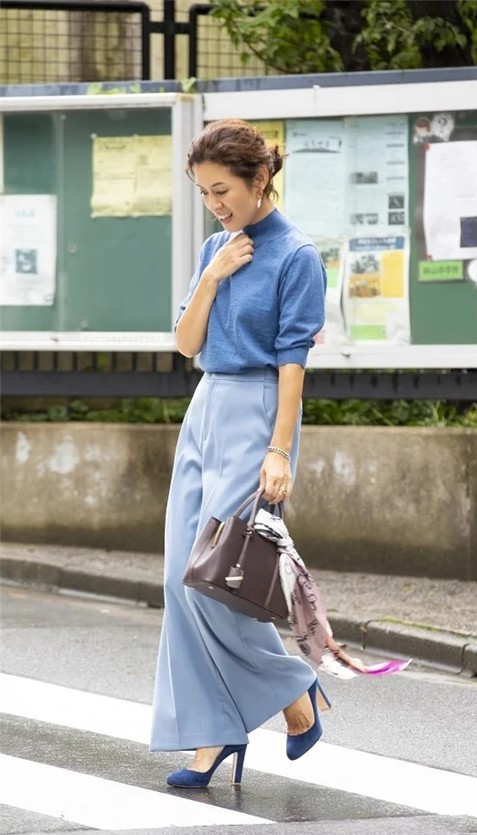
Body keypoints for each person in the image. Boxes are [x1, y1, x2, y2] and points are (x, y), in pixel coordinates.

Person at [150, 118, 329, 788]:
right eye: (204, 193)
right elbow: (186, 343)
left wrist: (279, 449)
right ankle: (218, 727)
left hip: (258, 412)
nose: (214, 204)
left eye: (222, 191)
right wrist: (213, 274)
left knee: (217, 579)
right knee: (180, 578)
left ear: (259, 180)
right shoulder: (215, 248)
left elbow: (292, 364)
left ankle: (291, 690)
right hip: (206, 406)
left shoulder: (297, 256)